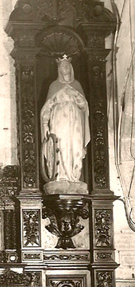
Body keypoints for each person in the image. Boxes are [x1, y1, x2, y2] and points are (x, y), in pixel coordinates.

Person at [40, 56, 90, 194]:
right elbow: (47, 108)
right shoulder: (54, 86)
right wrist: (45, 123)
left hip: (75, 121)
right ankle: (60, 176)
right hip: (59, 120)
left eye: (67, 66)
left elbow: (84, 106)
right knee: (60, 145)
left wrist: (78, 99)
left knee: (75, 146)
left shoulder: (77, 85)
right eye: (62, 66)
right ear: (58, 69)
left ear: (71, 68)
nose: (65, 69)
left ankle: (74, 176)